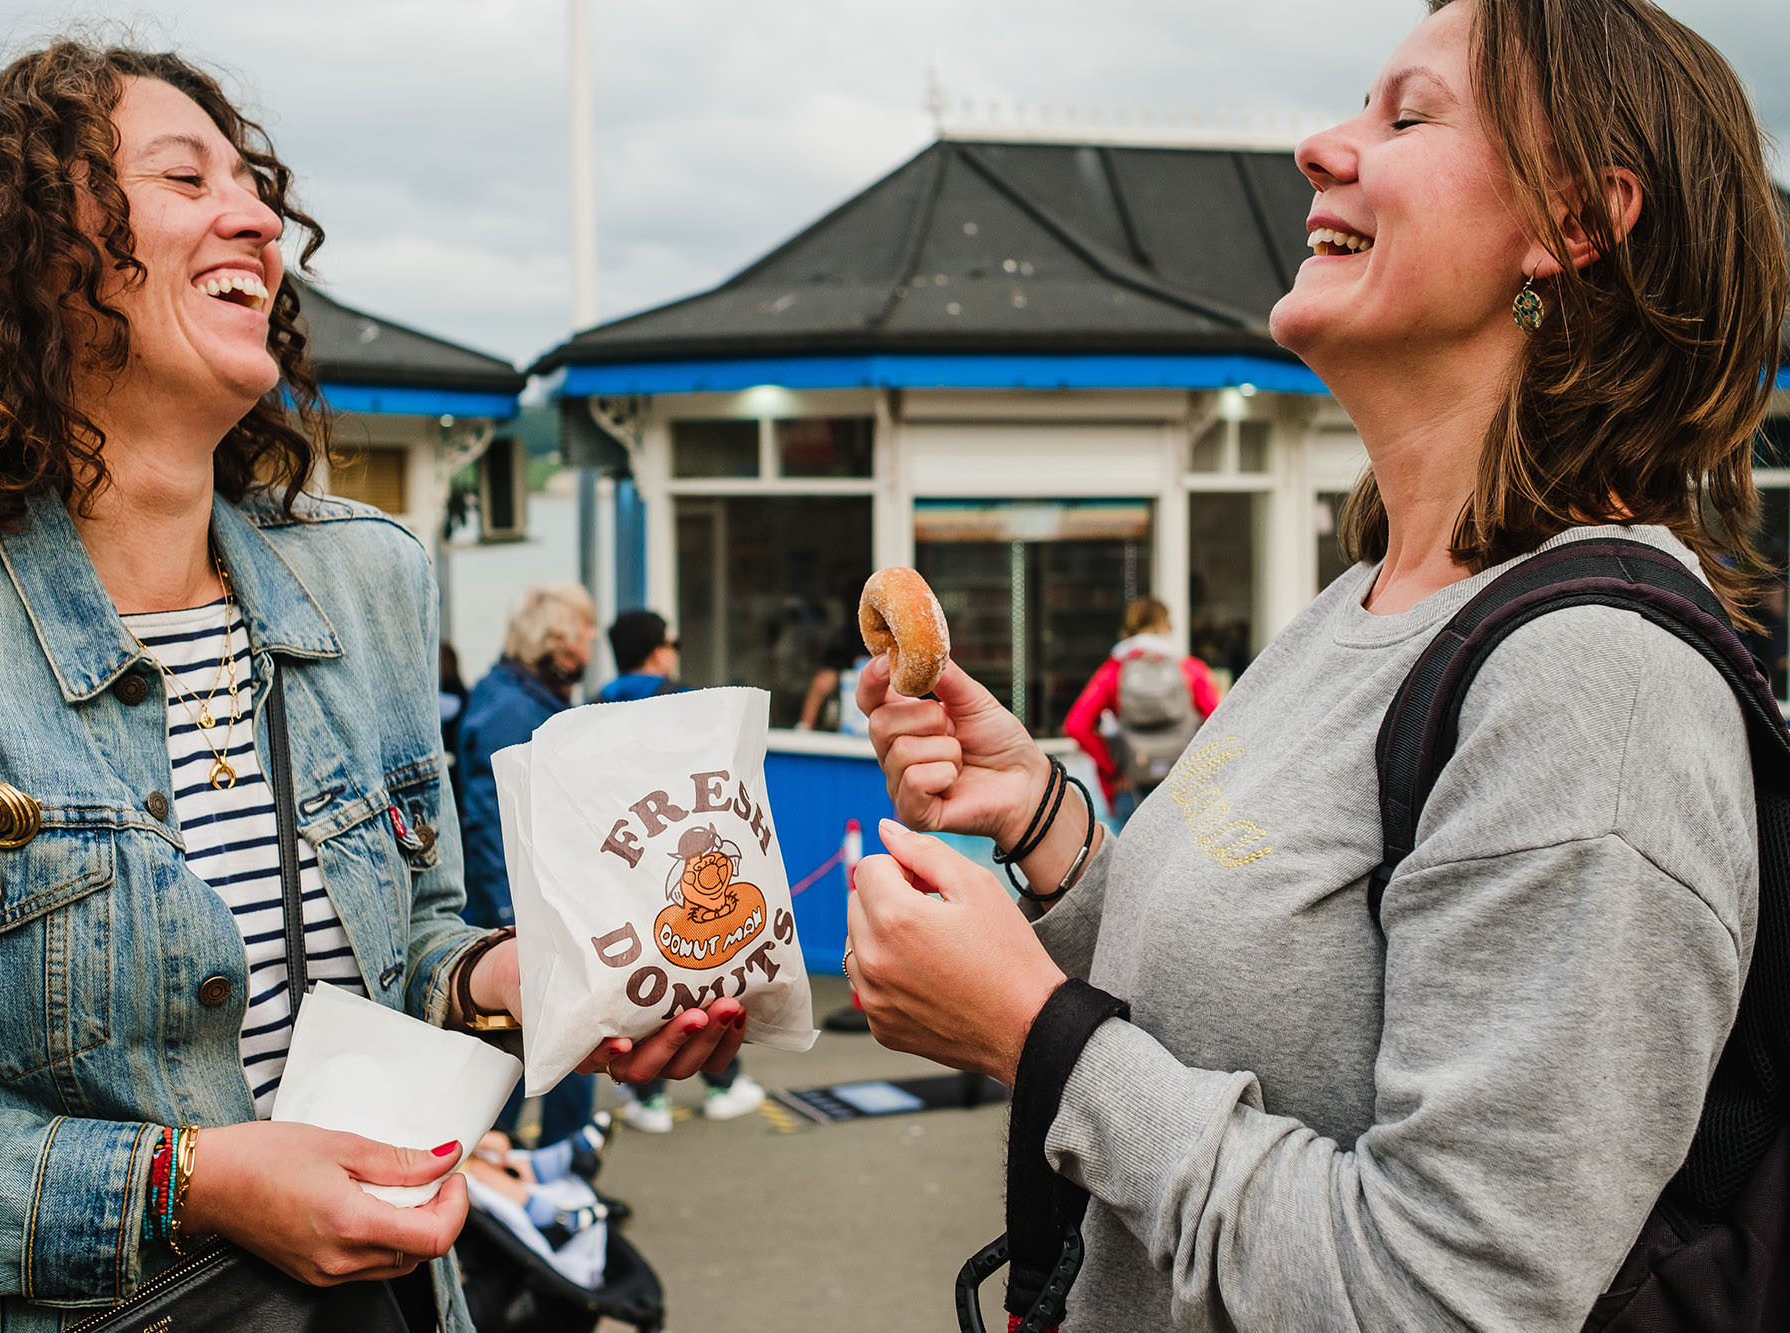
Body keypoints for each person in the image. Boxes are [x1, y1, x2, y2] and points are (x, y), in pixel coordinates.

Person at [844, 1, 1785, 1328]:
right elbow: (1258, 1005)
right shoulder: (1364, 600)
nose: (1318, 149)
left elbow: (1449, 1298)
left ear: (1577, 224)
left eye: (1407, 115)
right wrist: (1045, 823)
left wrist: (1031, 1037)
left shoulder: (1596, 690)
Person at [0, 44, 745, 1333]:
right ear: (22, 254)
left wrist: (518, 983)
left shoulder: (369, 577)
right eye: (184, 178)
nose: (254, 215)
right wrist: (184, 1184)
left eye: (253, 185)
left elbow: (408, 951)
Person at [593, 609, 769, 1129]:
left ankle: (649, 1100)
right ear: (657, 649)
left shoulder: (594, 706)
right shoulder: (684, 697)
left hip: (624, 862)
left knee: (641, 979)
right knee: (705, 973)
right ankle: (724, 1083)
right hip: (686, 858)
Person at [456, 583, 613, 1149]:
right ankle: (513, 1185)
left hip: (550, 901)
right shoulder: (510, 708)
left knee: (560, 1042)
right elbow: (489, 819)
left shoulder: (529, 696)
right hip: (525, 911)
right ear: (561, 636)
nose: (594, 637)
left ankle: (554, 1168)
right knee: (516, 1048)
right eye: (587, 627)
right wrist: (508, 914)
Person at [1061, 597, 1220, 827]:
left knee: (1131, 861)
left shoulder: (1114, 671)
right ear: (1166, 627)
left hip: (1130, 786)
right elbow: (1219, 721)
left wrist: (1115, 768)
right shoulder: (1189, 669)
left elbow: (1076, 725)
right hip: (1185, 786)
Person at [593, 608, 684, 703]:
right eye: (674, 645)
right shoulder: (682, 700)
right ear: (657, 652)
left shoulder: (598, 702)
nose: (675, 653)